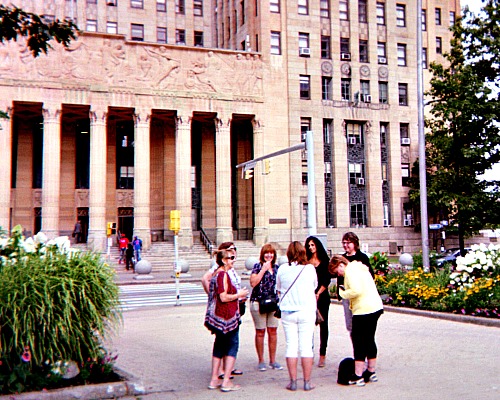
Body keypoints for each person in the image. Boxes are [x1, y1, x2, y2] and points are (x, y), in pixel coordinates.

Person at [328, 254, 383, 386]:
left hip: (363, 310)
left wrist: (343, 293)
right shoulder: (360, 267)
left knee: (359, 341)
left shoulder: (350, 271)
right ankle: (371, 371)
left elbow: (356, 291)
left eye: (337, 272)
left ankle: (358, 375)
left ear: (340, 265)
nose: (339, 275)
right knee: (370, 339)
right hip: (375, 307)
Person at [205, 249, 249, 392]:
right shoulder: (223, 274)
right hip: (227, 317)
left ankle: (214, 379)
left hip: (218, 317)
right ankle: (226, 381)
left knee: (219, 345)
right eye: (231, 258)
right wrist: (239, 294)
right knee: (232, 346)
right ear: (224, 260)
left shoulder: (216, 273)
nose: (233, 260)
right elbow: (223, 297)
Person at [276, 241, 317, 391]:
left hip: (288, 311)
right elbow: (314, 286)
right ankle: (307, 382)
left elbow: (279, 288)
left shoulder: (282, 269)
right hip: (306, 310)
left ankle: (293, 381)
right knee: (306, 347)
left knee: (291, 346)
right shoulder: (309, 269)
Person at [249, 243, 282, 371]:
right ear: (262, 255)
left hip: (273, 302)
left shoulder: (277, 268)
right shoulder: (257, 267)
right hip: (259, 302)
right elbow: (253, 283)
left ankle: (273, 360)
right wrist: (263, 269)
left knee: (273, 331)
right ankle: (261, 360)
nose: (269, 255)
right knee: (260, 331)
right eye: (266, 253)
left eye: (271, 253)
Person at [305, 236, 332, 368]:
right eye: (309, 245)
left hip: (322, 296)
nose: (311, 247)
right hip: (309, 296)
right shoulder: (306, 262)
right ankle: (309, 352)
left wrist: (318, 293)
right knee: (309, 325)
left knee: (323, 324)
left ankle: (322, 354)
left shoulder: (325, 261)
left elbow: (326, 280)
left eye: (313, 245)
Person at [340, 232, 375, 335]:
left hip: (360, 296)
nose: (345, 245)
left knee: (362, 324)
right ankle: (356, 349)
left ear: (355, 243)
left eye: (348, 243)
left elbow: (370, 276)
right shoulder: (342, 258)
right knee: (350, 325)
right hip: (347, 296)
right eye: (344, 243)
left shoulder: (362, 257)